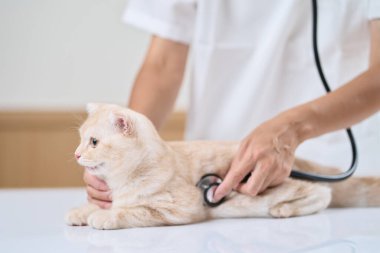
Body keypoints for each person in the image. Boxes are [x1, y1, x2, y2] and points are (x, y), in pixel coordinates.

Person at [83, 1, 380, 209]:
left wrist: (292, 128)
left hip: (343, 176)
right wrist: (125, 153)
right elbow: (162, 65)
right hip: (216, 179)